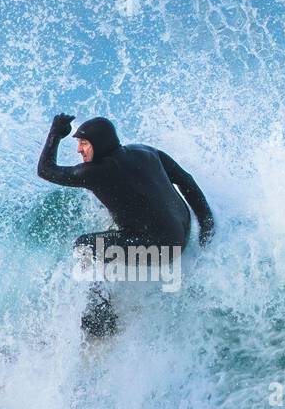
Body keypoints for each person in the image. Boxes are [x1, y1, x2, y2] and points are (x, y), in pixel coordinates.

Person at [37, 113, 215, 336]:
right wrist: (206, 223)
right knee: (114, 232)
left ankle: (100, 317)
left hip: (162, 248)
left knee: (85, 245)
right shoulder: (146, 152)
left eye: (84, 143)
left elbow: (45, 170)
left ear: (99, 144)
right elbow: (185, 180)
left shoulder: (95, 172)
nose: (79, 150)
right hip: (183, 230)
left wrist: (54, 135)